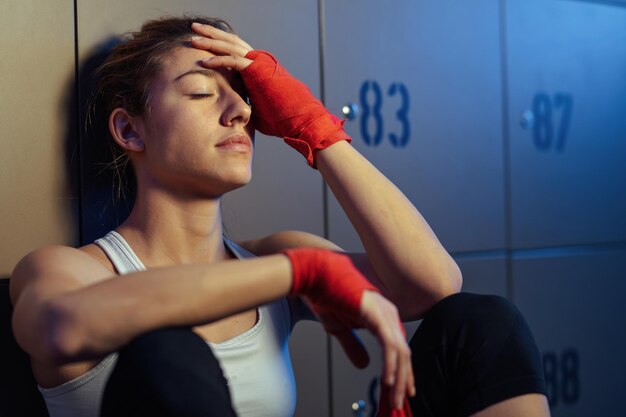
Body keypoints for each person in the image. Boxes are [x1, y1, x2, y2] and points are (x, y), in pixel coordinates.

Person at [9, 16, 550, 417]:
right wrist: (302, 272)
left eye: (246, 98)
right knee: (167, 353)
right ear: (130, 131)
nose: (241, 111)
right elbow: (60, 328)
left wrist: (314, 128)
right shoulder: (69, 270)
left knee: (480, 324)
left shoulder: (270, 257)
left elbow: (433, 286)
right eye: (201, 92)